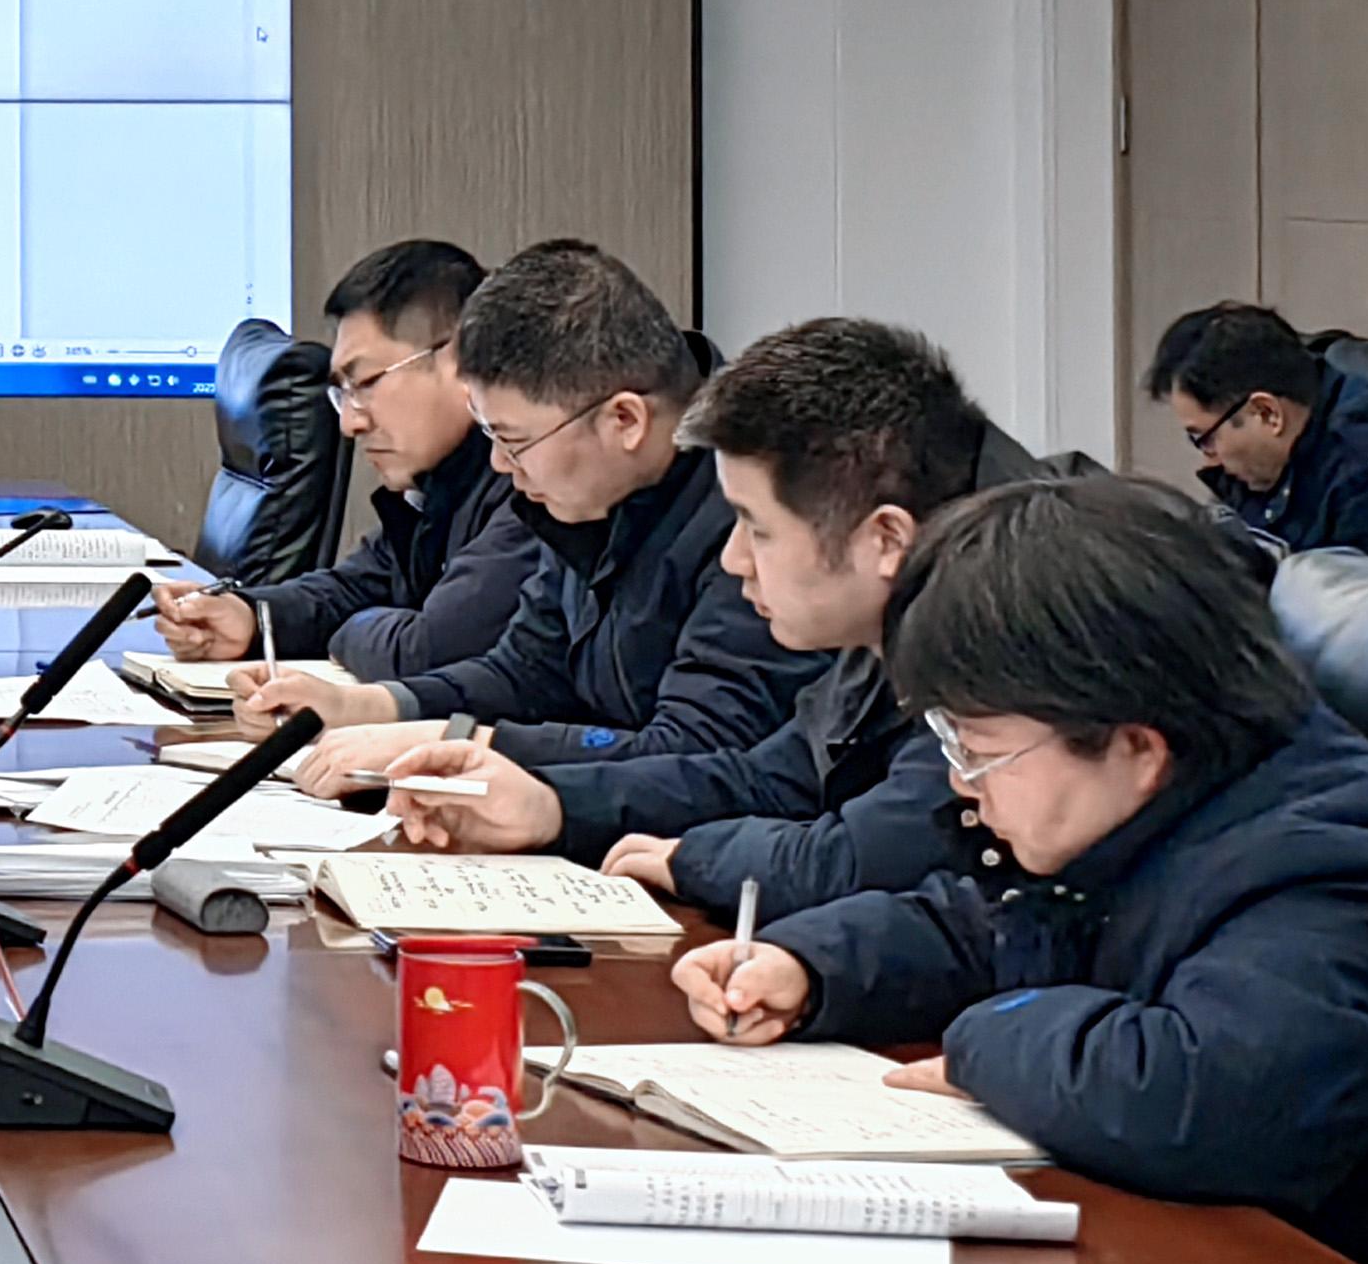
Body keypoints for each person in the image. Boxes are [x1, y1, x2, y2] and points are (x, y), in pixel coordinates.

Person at [680, 476, 1368, 1261]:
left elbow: (1201, 1099)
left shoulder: (1322, 860)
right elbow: (997, 924)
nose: (960, 782)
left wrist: (986, 1041)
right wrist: (812, 968)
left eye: (979, 750)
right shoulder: (1155, 809)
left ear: (1134, 746)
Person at [380, 317, 1020, 920]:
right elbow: (769, 779)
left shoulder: (1005, 637)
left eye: (757, 529)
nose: (734, 559)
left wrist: (692, 860)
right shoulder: (898, 610)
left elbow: (861, 856)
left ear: (885, 541)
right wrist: (552, 804)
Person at [244, 240, 818, 785]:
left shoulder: (753, 515)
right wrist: (364, 706)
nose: (499, 464)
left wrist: (462, 742)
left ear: (624, 421)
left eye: (513, 440)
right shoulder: (589, 492)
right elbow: (525, 670)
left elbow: (698, 751)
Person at [153, 240, 536, 682]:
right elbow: (355, 587)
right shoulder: (437, 486)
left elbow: (429, 650)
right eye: (343, 394)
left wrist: (348, 632)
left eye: (365, 383)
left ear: (461, 360)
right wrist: (250, 616)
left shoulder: (529, 485)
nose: (349, 424)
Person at [1148, 301, 1368, 559]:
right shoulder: (1266, 463)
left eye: (1205, 439)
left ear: (1267, 413)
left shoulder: (1359, 477)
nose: (1210, 460)